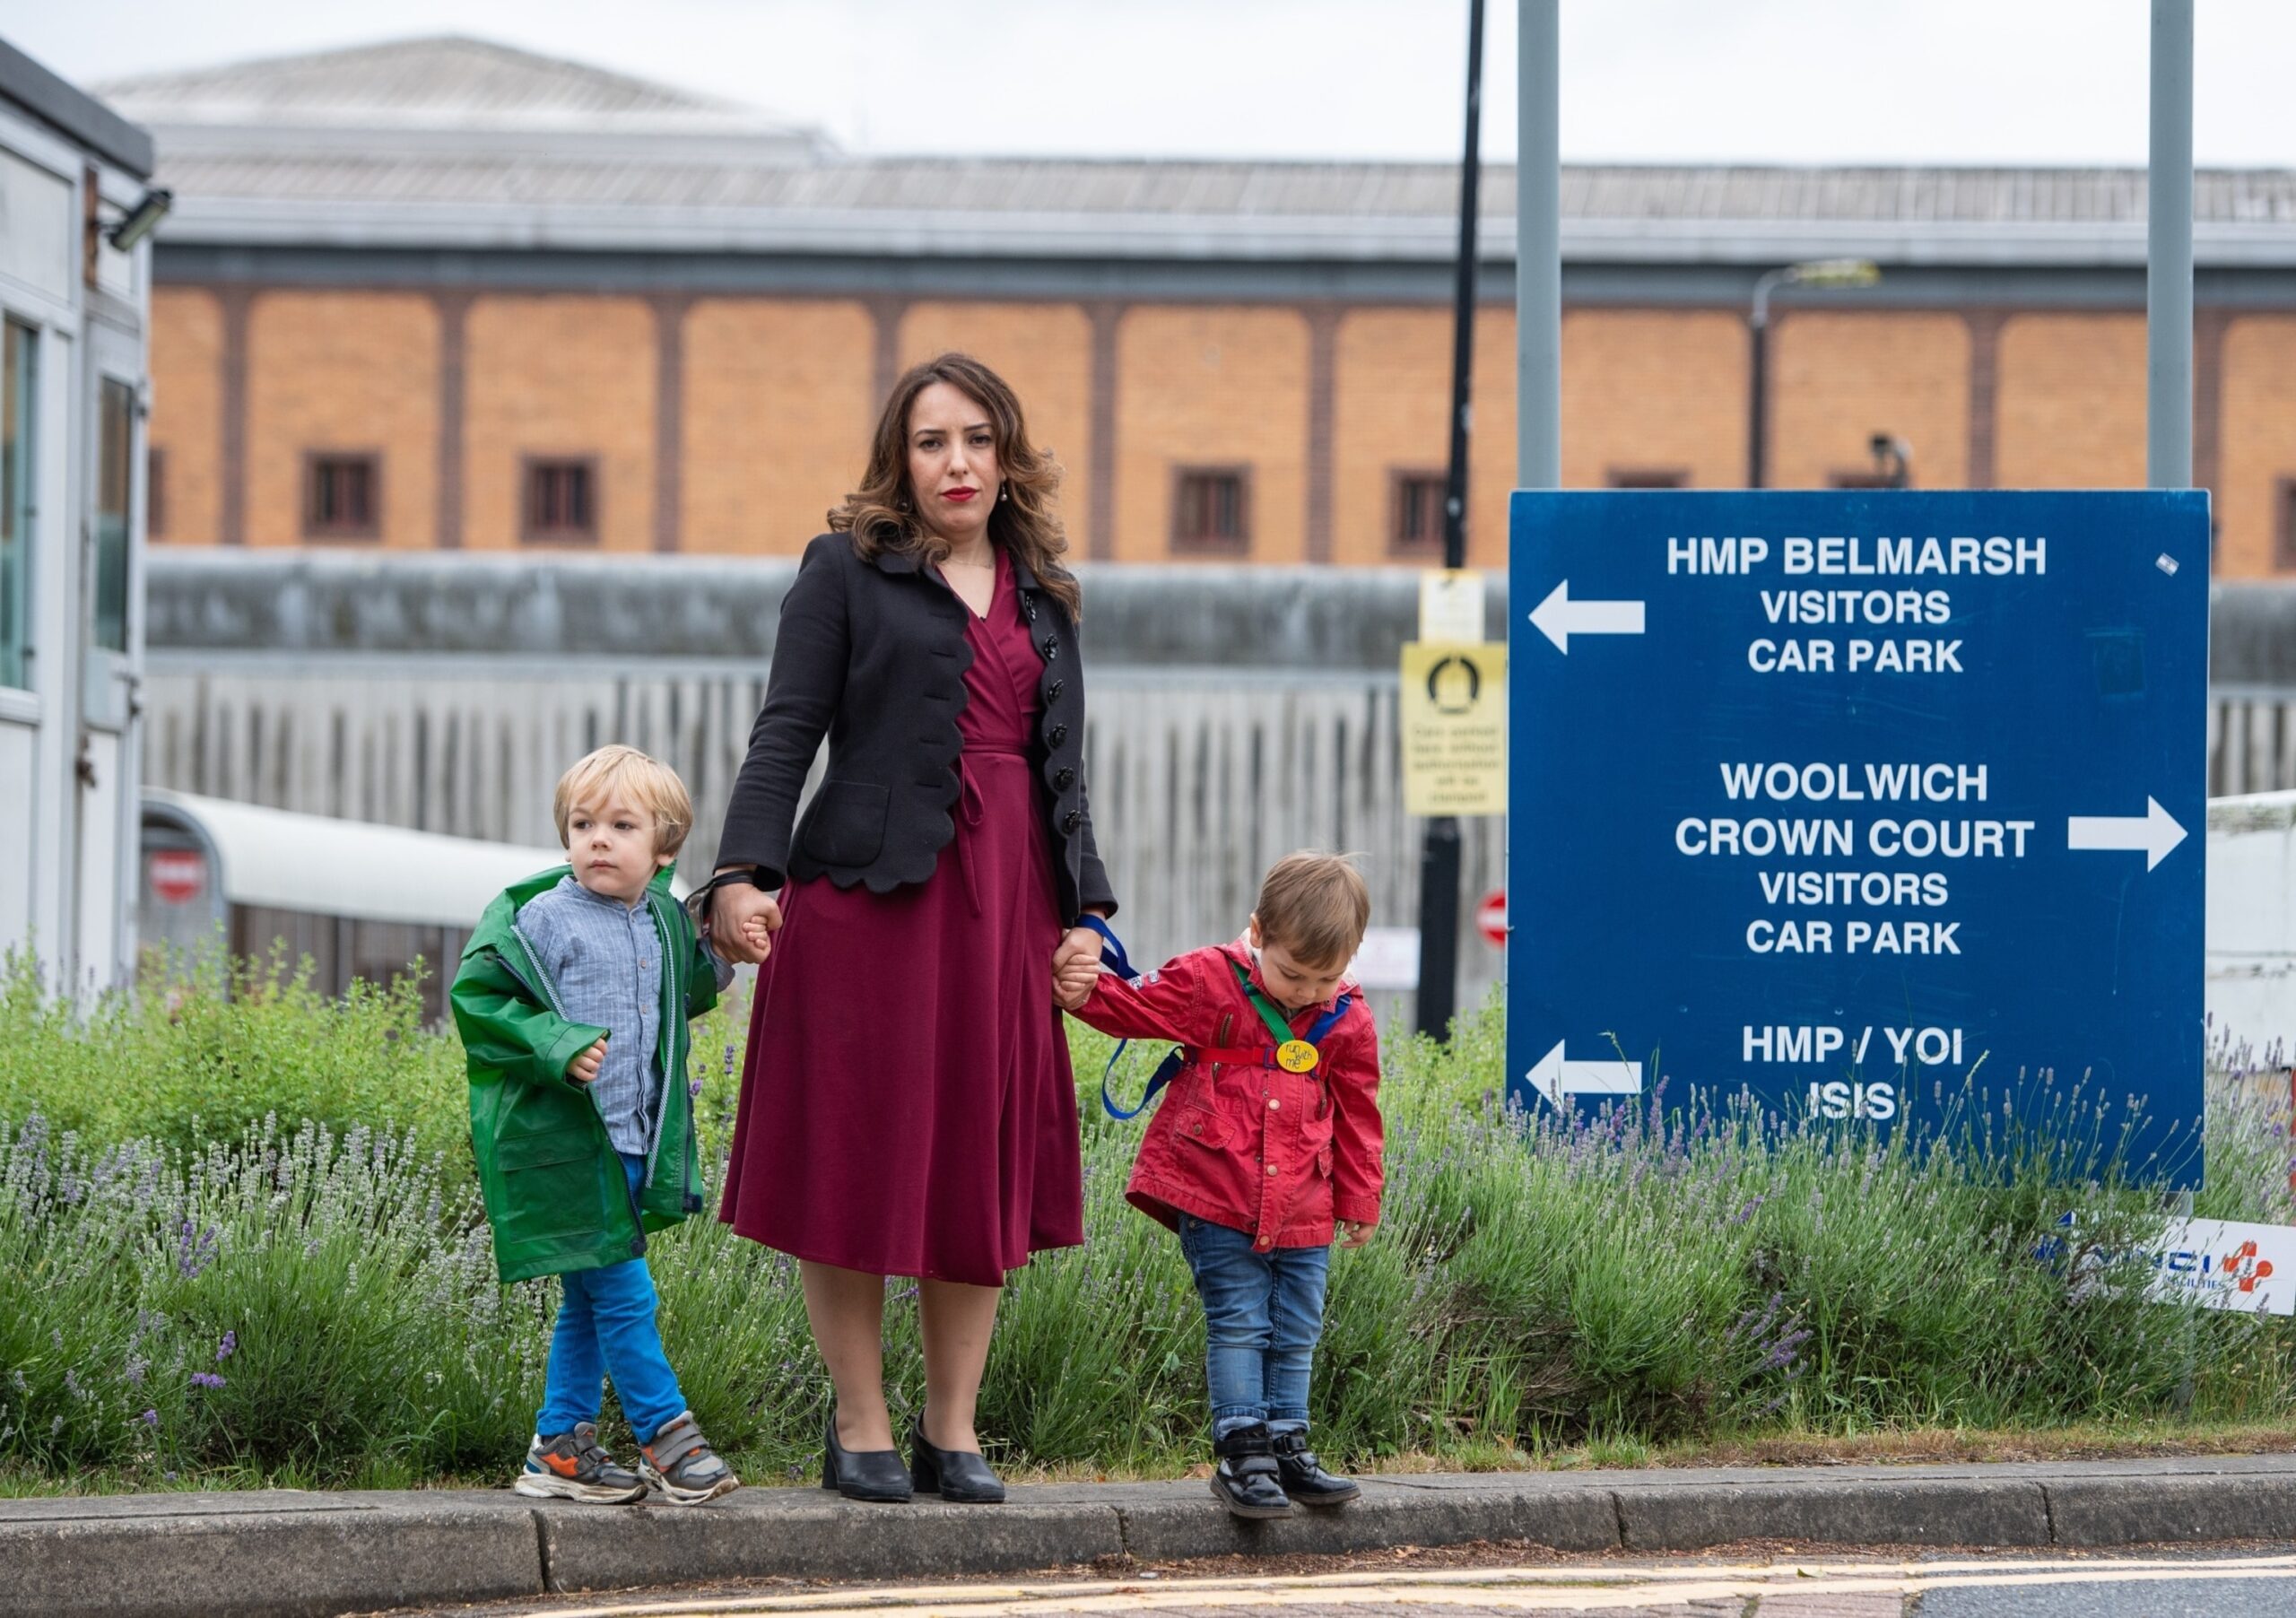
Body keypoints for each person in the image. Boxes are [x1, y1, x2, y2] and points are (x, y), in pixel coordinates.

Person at [700, 353, 1115, 1506]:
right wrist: (740, 875)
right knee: (856, 1153)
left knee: (973, 1166)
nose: (958, 462)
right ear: (901, 457)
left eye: (978, 439)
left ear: (1007, 455)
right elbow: (786, 730)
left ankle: (953, 1428)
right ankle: (859, 1421)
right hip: (865, 911)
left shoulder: (1047, 591)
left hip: (1007, 914)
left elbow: (1065, 770)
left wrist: (1085, 912)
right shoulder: (843, 571)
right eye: (933, 441)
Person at [451, 744, 748, 1507]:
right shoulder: (545, 919)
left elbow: (689, 980)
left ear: (664, 849)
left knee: (587, 1303)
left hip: (631, 1144)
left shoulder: (656, 919)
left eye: (621, 825)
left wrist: (732, 947)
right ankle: (667, 1437)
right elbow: (483, 1001)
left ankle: (560, 1447)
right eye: (582, 824)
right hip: (568, 1150)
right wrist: (556, 1044)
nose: (598, 840)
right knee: (624, 1296)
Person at [1056, 851, 1383, 1520]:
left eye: (1325, 978)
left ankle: (1288, 1442)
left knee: (1297, 1327)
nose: (1305, 991)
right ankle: (1243, 1449)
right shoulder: (1209, 979)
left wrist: (1359, 1199)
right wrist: (1080, 990)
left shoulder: (1347, 1017)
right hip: (1217, 1191)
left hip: (1305, 1203)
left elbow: (1359, 1114)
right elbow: (1133, 1007)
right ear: (1257, 933)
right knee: (1239, 1319)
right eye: (1293, 973)